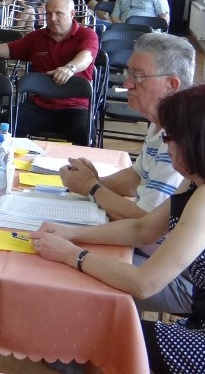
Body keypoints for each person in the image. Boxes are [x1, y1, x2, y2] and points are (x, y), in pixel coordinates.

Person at [32, 84, 205, 374]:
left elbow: (144, 284)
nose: (167, 145)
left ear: (197, 142)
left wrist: (74, 256)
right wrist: (72, 234)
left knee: (101, 332)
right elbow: (143, 229)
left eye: (169, 136)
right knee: (102, 327)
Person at [59, 32, 195, 314]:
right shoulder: (160, 123)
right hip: (153, 253)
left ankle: (77, 350)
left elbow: (146, 225)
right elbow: (135, 178)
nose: (126, 83)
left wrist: (92, 189)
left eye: (138, 75)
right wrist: (91, 182)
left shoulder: (182, 140)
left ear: (171, 84)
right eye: (128, 72)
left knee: (70, 273)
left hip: (179, 277)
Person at [0, 0, 97, 145]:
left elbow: (87, 56)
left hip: (75, 107)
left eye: (59, 13)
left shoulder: (87, 35)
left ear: (72, 14)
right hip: (40, 105)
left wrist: (70, 68)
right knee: (7, 121)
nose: (52, 18)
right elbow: (11, 49)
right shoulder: (36, 37)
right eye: (48, 13)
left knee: (85, 133)